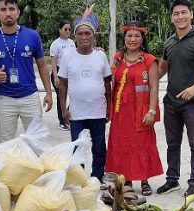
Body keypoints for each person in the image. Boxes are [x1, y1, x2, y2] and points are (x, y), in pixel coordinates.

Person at [156, 0, 194, 196]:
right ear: (172, 17)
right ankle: (172, 180)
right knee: (172, 144)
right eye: (176, 13)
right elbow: (161, 70)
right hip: (171, 102)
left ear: (191, 14)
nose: (180, 17)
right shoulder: (169, 42)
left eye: (184, 12)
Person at [0, 0, 53, 142]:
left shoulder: (32, 36)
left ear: (18, 12)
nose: (8, 13)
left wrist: (49, 93)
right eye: (3, 9)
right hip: (5, 99)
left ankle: (36, 165)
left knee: (37, 141)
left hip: (30, 97)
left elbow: (42, 66)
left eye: (11, 9)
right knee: (6, 144)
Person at [105, 21, 163, 196]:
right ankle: (126, 179)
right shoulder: (117, 58)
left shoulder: (149, 60)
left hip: (140, 110)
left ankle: (144, 180)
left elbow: (154, 87)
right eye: (129, 35)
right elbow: (110, 80)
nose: (133, 39)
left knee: (142, 144)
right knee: (122, 143)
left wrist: (151, 111)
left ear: (142, 38)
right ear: (124, 38)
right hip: (120, 111)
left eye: (137, 35)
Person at [57, 14, 111, 182]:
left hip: (98, 111)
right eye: (80, 34)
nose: (84, 37)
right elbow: (63, 84)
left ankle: (97, 177)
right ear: (75, 36)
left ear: (93, 35)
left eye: (88, 33)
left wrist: (109, 108)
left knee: (99, 147)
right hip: (77, 113)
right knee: (77, 148)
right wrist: (64, 108)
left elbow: (107, 84)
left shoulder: (100, 56)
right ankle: (79, 179)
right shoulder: (68, 56)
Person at [49, 21, 74, 131]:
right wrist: (56, 77)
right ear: (60, 30)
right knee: (61, 97)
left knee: (73, 95)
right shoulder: (56, 44)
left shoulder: (72, 42)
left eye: (69, 29)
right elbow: (53, 61)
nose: (68, 31)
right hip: (59, 72)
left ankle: (69, 116)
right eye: (65, 29)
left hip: (70, 72)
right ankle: (62, 121)